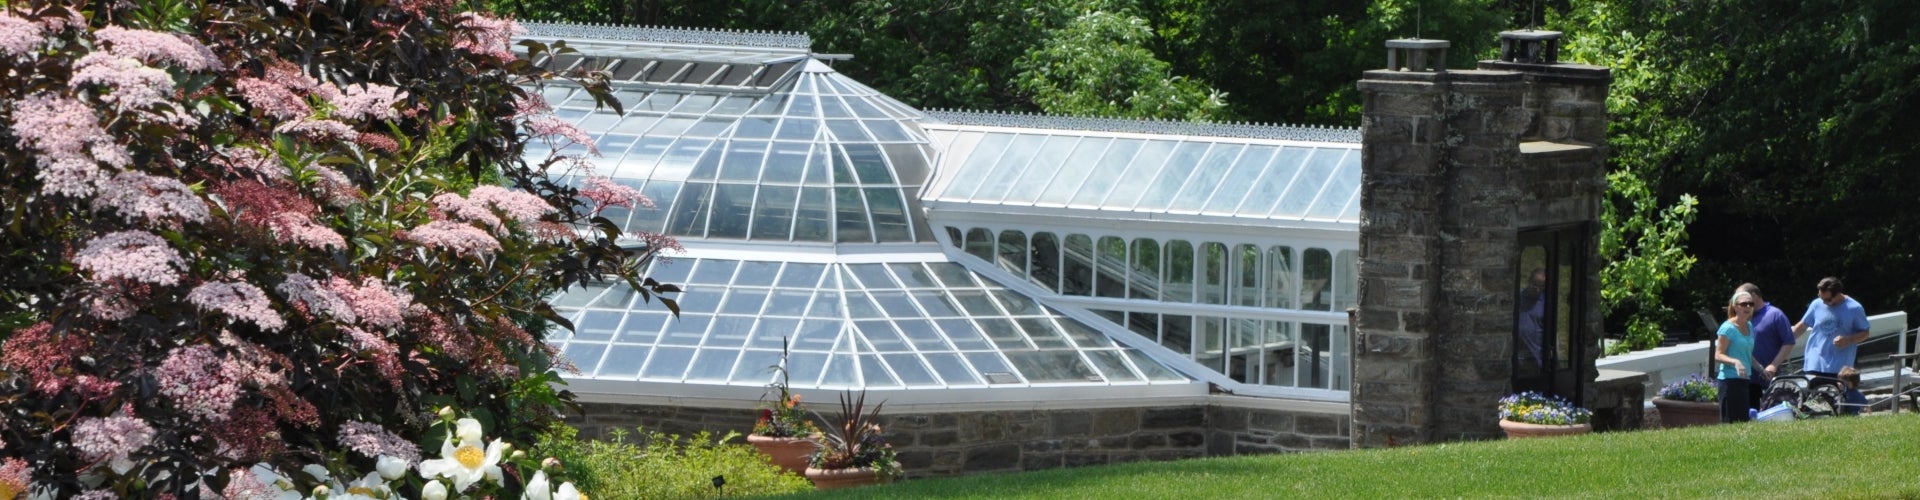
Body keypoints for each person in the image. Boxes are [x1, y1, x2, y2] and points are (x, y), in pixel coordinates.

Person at [1792, 277, 1871, 379]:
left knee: (1835, 394)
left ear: (1838, 294)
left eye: (1828, 300)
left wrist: (1848, 339)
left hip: (1839, 367)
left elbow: (1865, 333)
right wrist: (1785, 340)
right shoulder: (1816, 304)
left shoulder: (1855, 308)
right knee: (1814, 394)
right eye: (1821, 297)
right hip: (1814, 363)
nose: (1824, 302)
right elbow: (1802, 326)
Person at [1740, 283, 1795, 410]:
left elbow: (1789, 342)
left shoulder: (1775, 315)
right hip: (1745, 376)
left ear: (1753, 296)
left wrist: (1774, 365)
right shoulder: (1743, 317)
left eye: (1742, 298)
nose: (1740, 303)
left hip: (1768, 377)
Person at [1715, 290, 1762, 423]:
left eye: (1751, 304)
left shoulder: (1749, 326)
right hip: (1729, 382)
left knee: (1742, 423)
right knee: (1730, 423)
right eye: (1744, 304)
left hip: (1744, 380)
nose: (1748, 307)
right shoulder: (1727, 328)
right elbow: (1718, 355)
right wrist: (1735, 362)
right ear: (1735, 306)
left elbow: (1746, 354)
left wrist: (1760, 368)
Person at [1515, 269, 1547, 370]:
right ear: (1529, 281)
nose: (1537, 289)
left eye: (1541, 286)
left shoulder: (1546, 303)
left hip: (1536, 358)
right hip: (1518, 358)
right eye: (1535, 285)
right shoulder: (1517, 298)